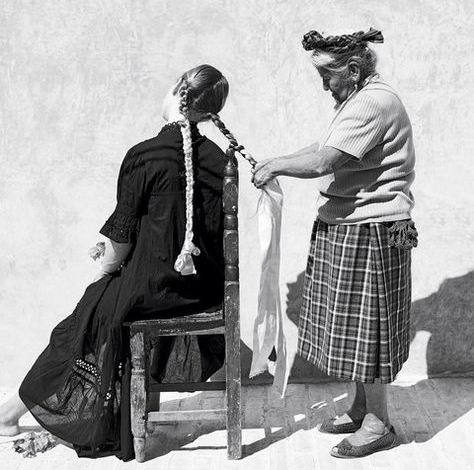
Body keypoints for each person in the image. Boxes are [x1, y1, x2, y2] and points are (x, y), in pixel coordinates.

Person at [0, 64, 255, 460]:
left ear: (176, 92)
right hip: (203, 288)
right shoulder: (219, 158)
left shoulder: (145, 155)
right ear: (209, 111)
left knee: (82, 320)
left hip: (153, 290)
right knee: (97, 308)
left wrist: (105, 266)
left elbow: (120, 244)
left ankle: (10, 414)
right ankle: (19, 410)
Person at [252, 28, 417, 458]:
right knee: (354, 328)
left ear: (355, 68)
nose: (324, 84)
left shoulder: (372, 102)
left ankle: (379, 424)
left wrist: (278, 168)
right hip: (352, 225)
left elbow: (327, 161)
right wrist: (277, 161)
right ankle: (362, 408)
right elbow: (327, 146)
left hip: (372, 229)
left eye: (328, 74)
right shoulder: (360, 99)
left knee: (371, 329)